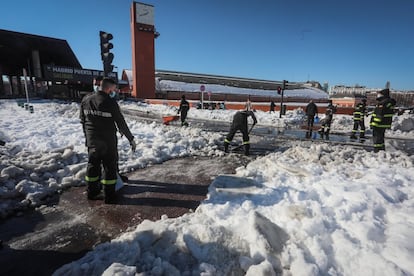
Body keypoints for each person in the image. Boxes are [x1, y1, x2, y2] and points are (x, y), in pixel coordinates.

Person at [80, 78, 136, 204]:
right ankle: (109, 195)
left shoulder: (86, 100)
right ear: (109, 88)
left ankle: (92, 192)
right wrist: (131, 139)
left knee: (92, 165)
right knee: (109, 167)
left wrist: (87, 137)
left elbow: (83, 120)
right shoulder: (110, 103)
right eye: (115, 89)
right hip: (107, 142)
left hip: (92, 139)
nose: (115, 91)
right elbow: (121, 122)